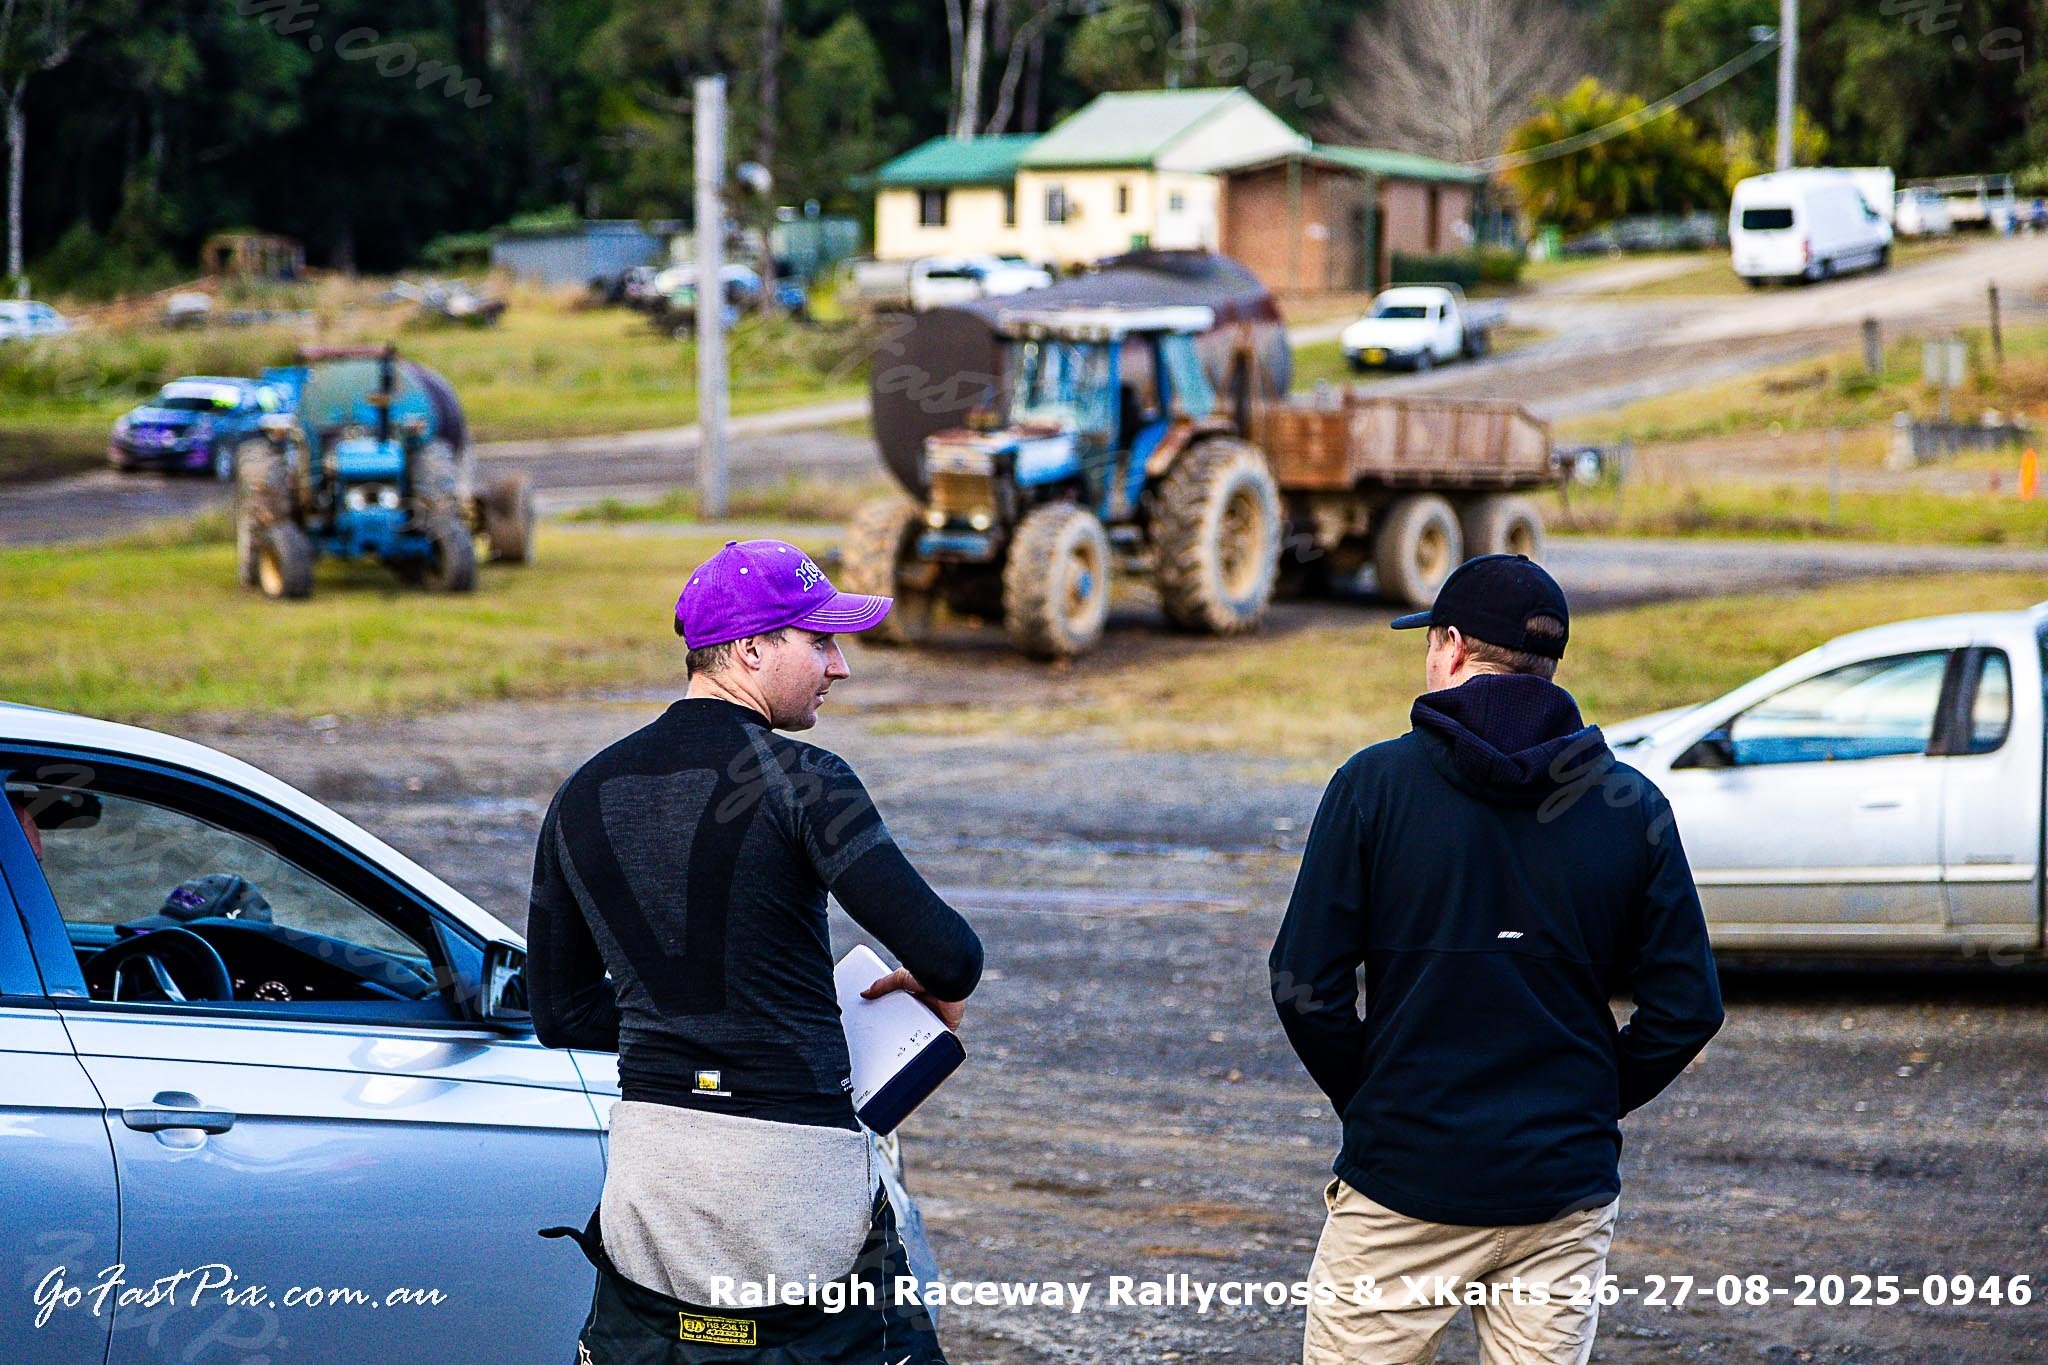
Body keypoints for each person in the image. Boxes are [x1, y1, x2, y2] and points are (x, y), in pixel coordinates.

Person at [526, 538, 983, 1363]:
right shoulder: (807, 778)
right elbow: (952, 957)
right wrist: (926, 984)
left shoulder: (581, 791)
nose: (839, 666)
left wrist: (667, 1025)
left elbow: (557, 1011)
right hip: (793, 1185)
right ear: (749, 648)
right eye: (820, 641)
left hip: (652, 1184)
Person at [1269, 554, 1724, 1365]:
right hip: (1561, 1193)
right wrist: (1588, 1097)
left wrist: (1378, 1093)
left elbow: (1304, 984)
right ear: (1549, 667)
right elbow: (1689, 1006)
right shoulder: (1634, 806)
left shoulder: (1372, 785)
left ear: (1449, 647)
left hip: (1405, 1186)